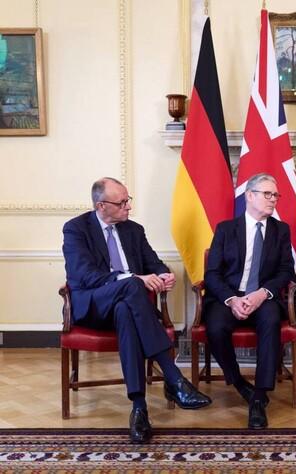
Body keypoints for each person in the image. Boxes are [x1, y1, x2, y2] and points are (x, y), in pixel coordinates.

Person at [62, 177, 210, 444]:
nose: (128, 207)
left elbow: (154, 262)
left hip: (127, 308)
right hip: (93, 305)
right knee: (131, 285)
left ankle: (139, 408)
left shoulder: (133, 230)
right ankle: (174, 378)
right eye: (121, 203)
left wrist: (164, 275)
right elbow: (85, 276)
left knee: (125, 310)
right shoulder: (76, 229)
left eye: (128, 200)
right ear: (101, 205)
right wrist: (134, 278)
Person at [203, 173, 295, 429]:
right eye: (267, 194)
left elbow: (286, 271)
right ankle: (239, 382)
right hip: (229, 296)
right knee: (216, 327)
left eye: (275, 195)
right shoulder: (225, 229)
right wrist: (232, 299)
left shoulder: (281, 230)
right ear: (250, 196)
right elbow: (212, 274)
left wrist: (262, 294)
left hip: (263, 297)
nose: (273, 199)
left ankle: (259, 396)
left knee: (271, 320)